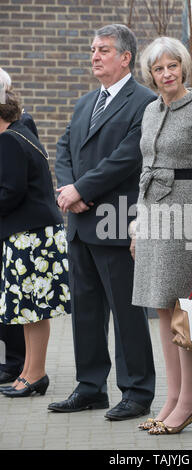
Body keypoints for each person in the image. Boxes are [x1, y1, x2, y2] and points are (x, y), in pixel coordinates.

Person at [48, 24, 156, 419]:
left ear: (125, 57)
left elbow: (128, 157)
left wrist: (81, 191)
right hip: (80, 224)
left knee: (127, 313)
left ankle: (137, 391)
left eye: (103, 50)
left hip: (116, 223)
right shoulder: (83, 103)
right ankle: (91, 387)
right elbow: (62, 146)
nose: (95, 55)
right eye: (93, 49)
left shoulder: (145, 103)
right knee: (87, 313)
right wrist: (67, 187)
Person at [131, 37, 192, 435]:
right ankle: (172, 398)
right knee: (163, 311)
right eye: (158, 68)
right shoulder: (151, 111)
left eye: (172, 66)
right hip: (154, 218)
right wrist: (136, 226)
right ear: (150, 75)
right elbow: (145, 169)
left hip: (186, 217)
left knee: (185, 313)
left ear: (183, 68)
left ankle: (188, 401)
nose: (166, 74)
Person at [0, 87, 71, 398]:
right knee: (29, 310)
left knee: (34, 308)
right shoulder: (21, 133)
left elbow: (10, 191)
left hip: (32, 236)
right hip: (34, 233)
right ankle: (29, 372)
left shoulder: (9, 140)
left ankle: (36, 373)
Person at [0, 69, 38, 388]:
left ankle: (19, 363)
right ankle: (17, 363)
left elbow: (15, 184)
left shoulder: (19, 128)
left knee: (17, 298)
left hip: (16, 225)